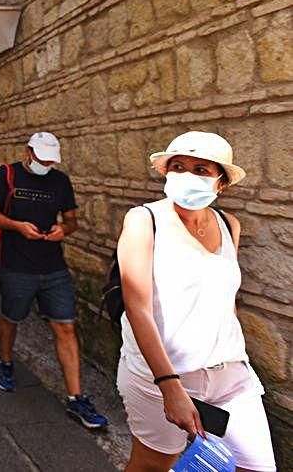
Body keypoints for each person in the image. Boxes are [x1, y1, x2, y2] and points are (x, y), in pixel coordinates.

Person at [116, 131, 276, 472]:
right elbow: (138, 308)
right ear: (166, 172)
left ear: (221, 183)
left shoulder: (229, 225)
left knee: (257, 467)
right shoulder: (144, 220)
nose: (187, 175)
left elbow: (226, 301)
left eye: (201, 169)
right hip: (161, 378)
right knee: (153, 465)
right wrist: (169, 387)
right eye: (178, 166)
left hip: (230, 375)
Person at [0, 132, 108, 428]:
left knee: (65, 326)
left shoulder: (60, 181)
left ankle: (76, 399)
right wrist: (16, 226)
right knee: (11, 319)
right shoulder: (7, 174)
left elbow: (72, 219)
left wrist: (64, 230)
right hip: (15, 265)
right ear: (28, 153)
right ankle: (5, 361)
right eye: (41, 159)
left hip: (54, 267)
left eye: (50, 160)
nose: (45, 164)